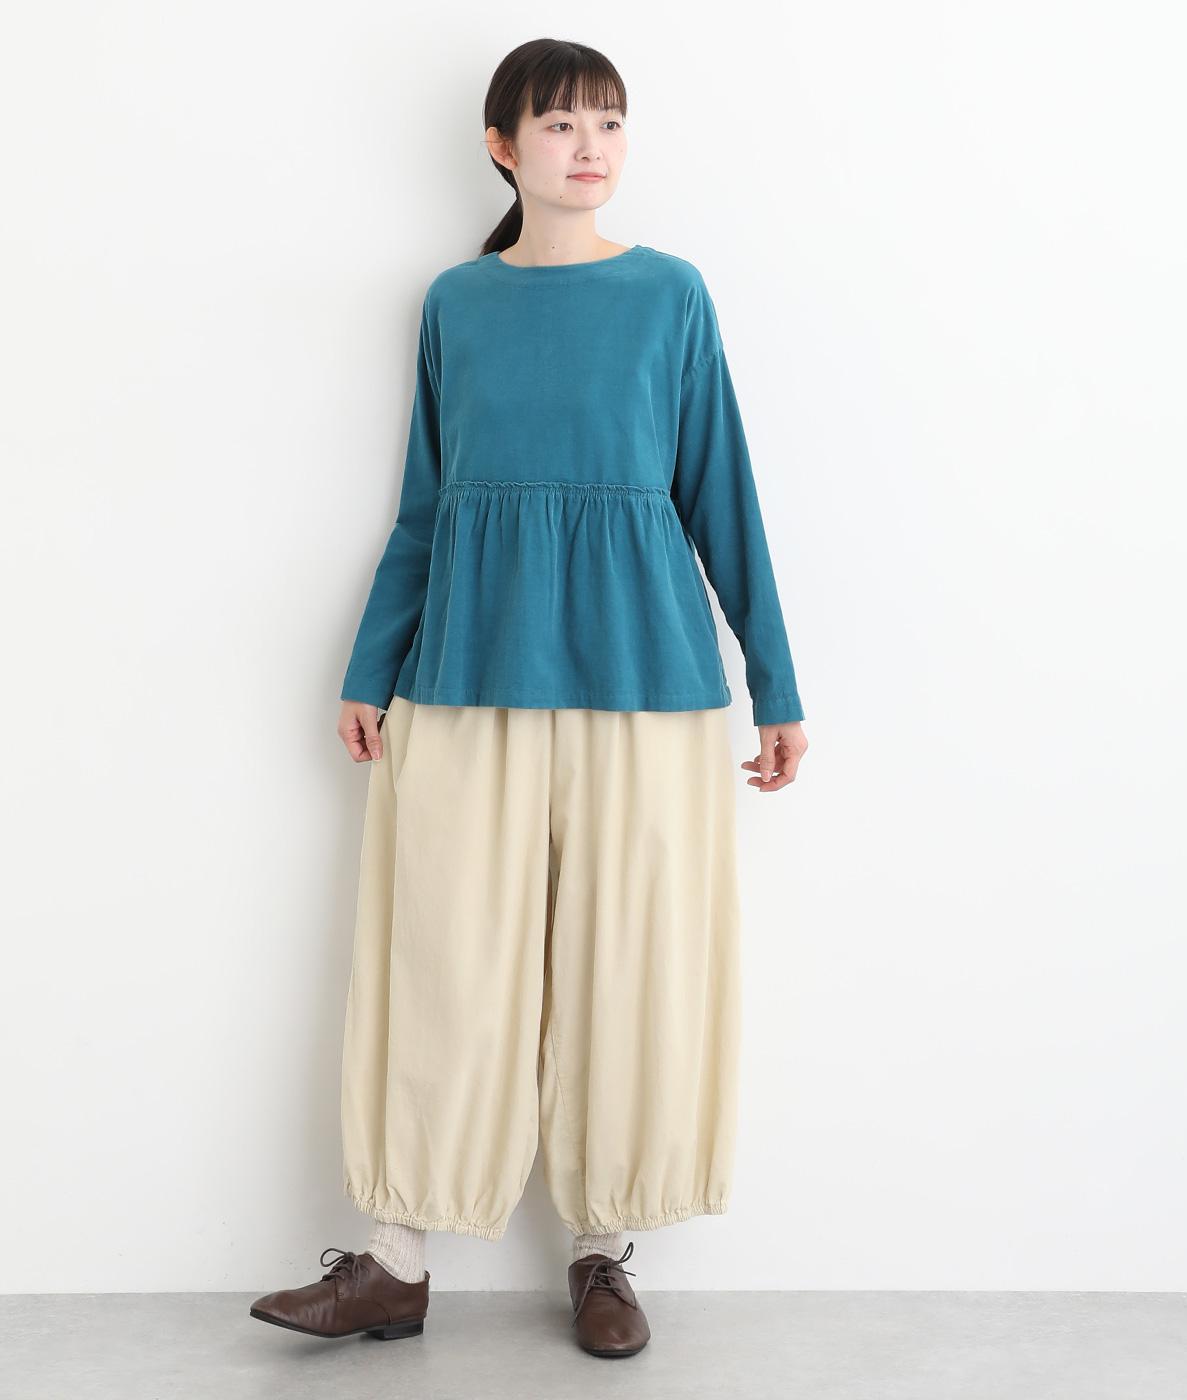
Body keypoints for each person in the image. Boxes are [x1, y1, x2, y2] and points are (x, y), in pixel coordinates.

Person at [249, 36, 808, 1359]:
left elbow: (722, 495)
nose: (589, 146)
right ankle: (395, 1262)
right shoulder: (456, 302)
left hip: (646, 683)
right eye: (559, 124)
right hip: (467, 673)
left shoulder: (670, 295)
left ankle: (603, 1253)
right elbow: (427, 505)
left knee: (630, 964)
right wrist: (371, 666)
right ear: (504, 148)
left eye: (608, 121)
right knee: (446, 960)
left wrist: (775, 684)